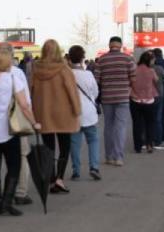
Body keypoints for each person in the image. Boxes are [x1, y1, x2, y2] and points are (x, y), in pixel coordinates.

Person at [0, 49, 39, 215]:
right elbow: (24, 105)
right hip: (8, 130)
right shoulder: (13, 78)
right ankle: (7, 202)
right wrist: (34, 123)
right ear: (9, 62)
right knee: (14, 166)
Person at [30, 39, 81, 193]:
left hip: (43, 113)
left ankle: (51, 178)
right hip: (63, 113)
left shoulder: (36, 69)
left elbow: (30, 90)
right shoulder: (64, 69)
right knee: (65, 147)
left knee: (48, 147)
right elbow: (72, 91)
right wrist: (77, 110)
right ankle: (59, 179)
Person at [94, 36, 137, 166]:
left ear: (109, 45)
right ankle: (118, 157)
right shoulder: (128, 59)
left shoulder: (101, 60)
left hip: (107, 98)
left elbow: (96, 81)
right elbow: (133, 78)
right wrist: (129, 90)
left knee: (108, 127)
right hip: (123, 97)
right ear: (120, 45)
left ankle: (108, 156)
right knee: (120, 127)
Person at [68, 46, 101, 181]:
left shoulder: (67, 75)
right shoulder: (88, 74)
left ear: (69, 58)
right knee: (93, 141)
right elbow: (95, 92)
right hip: (89, 113)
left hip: (73, 114)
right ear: (82, 58)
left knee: (75, 143)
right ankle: (94, 167)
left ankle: (76, 171)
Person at [130, 51, 160, 154]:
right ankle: (149, 145)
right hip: (149, 100)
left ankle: (138, 147)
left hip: (135, 100)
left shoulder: (134, 70)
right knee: (150, 124)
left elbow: (130, 82)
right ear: (149, 60)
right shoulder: (151, 71)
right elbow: (156, 80)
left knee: (137, 124)